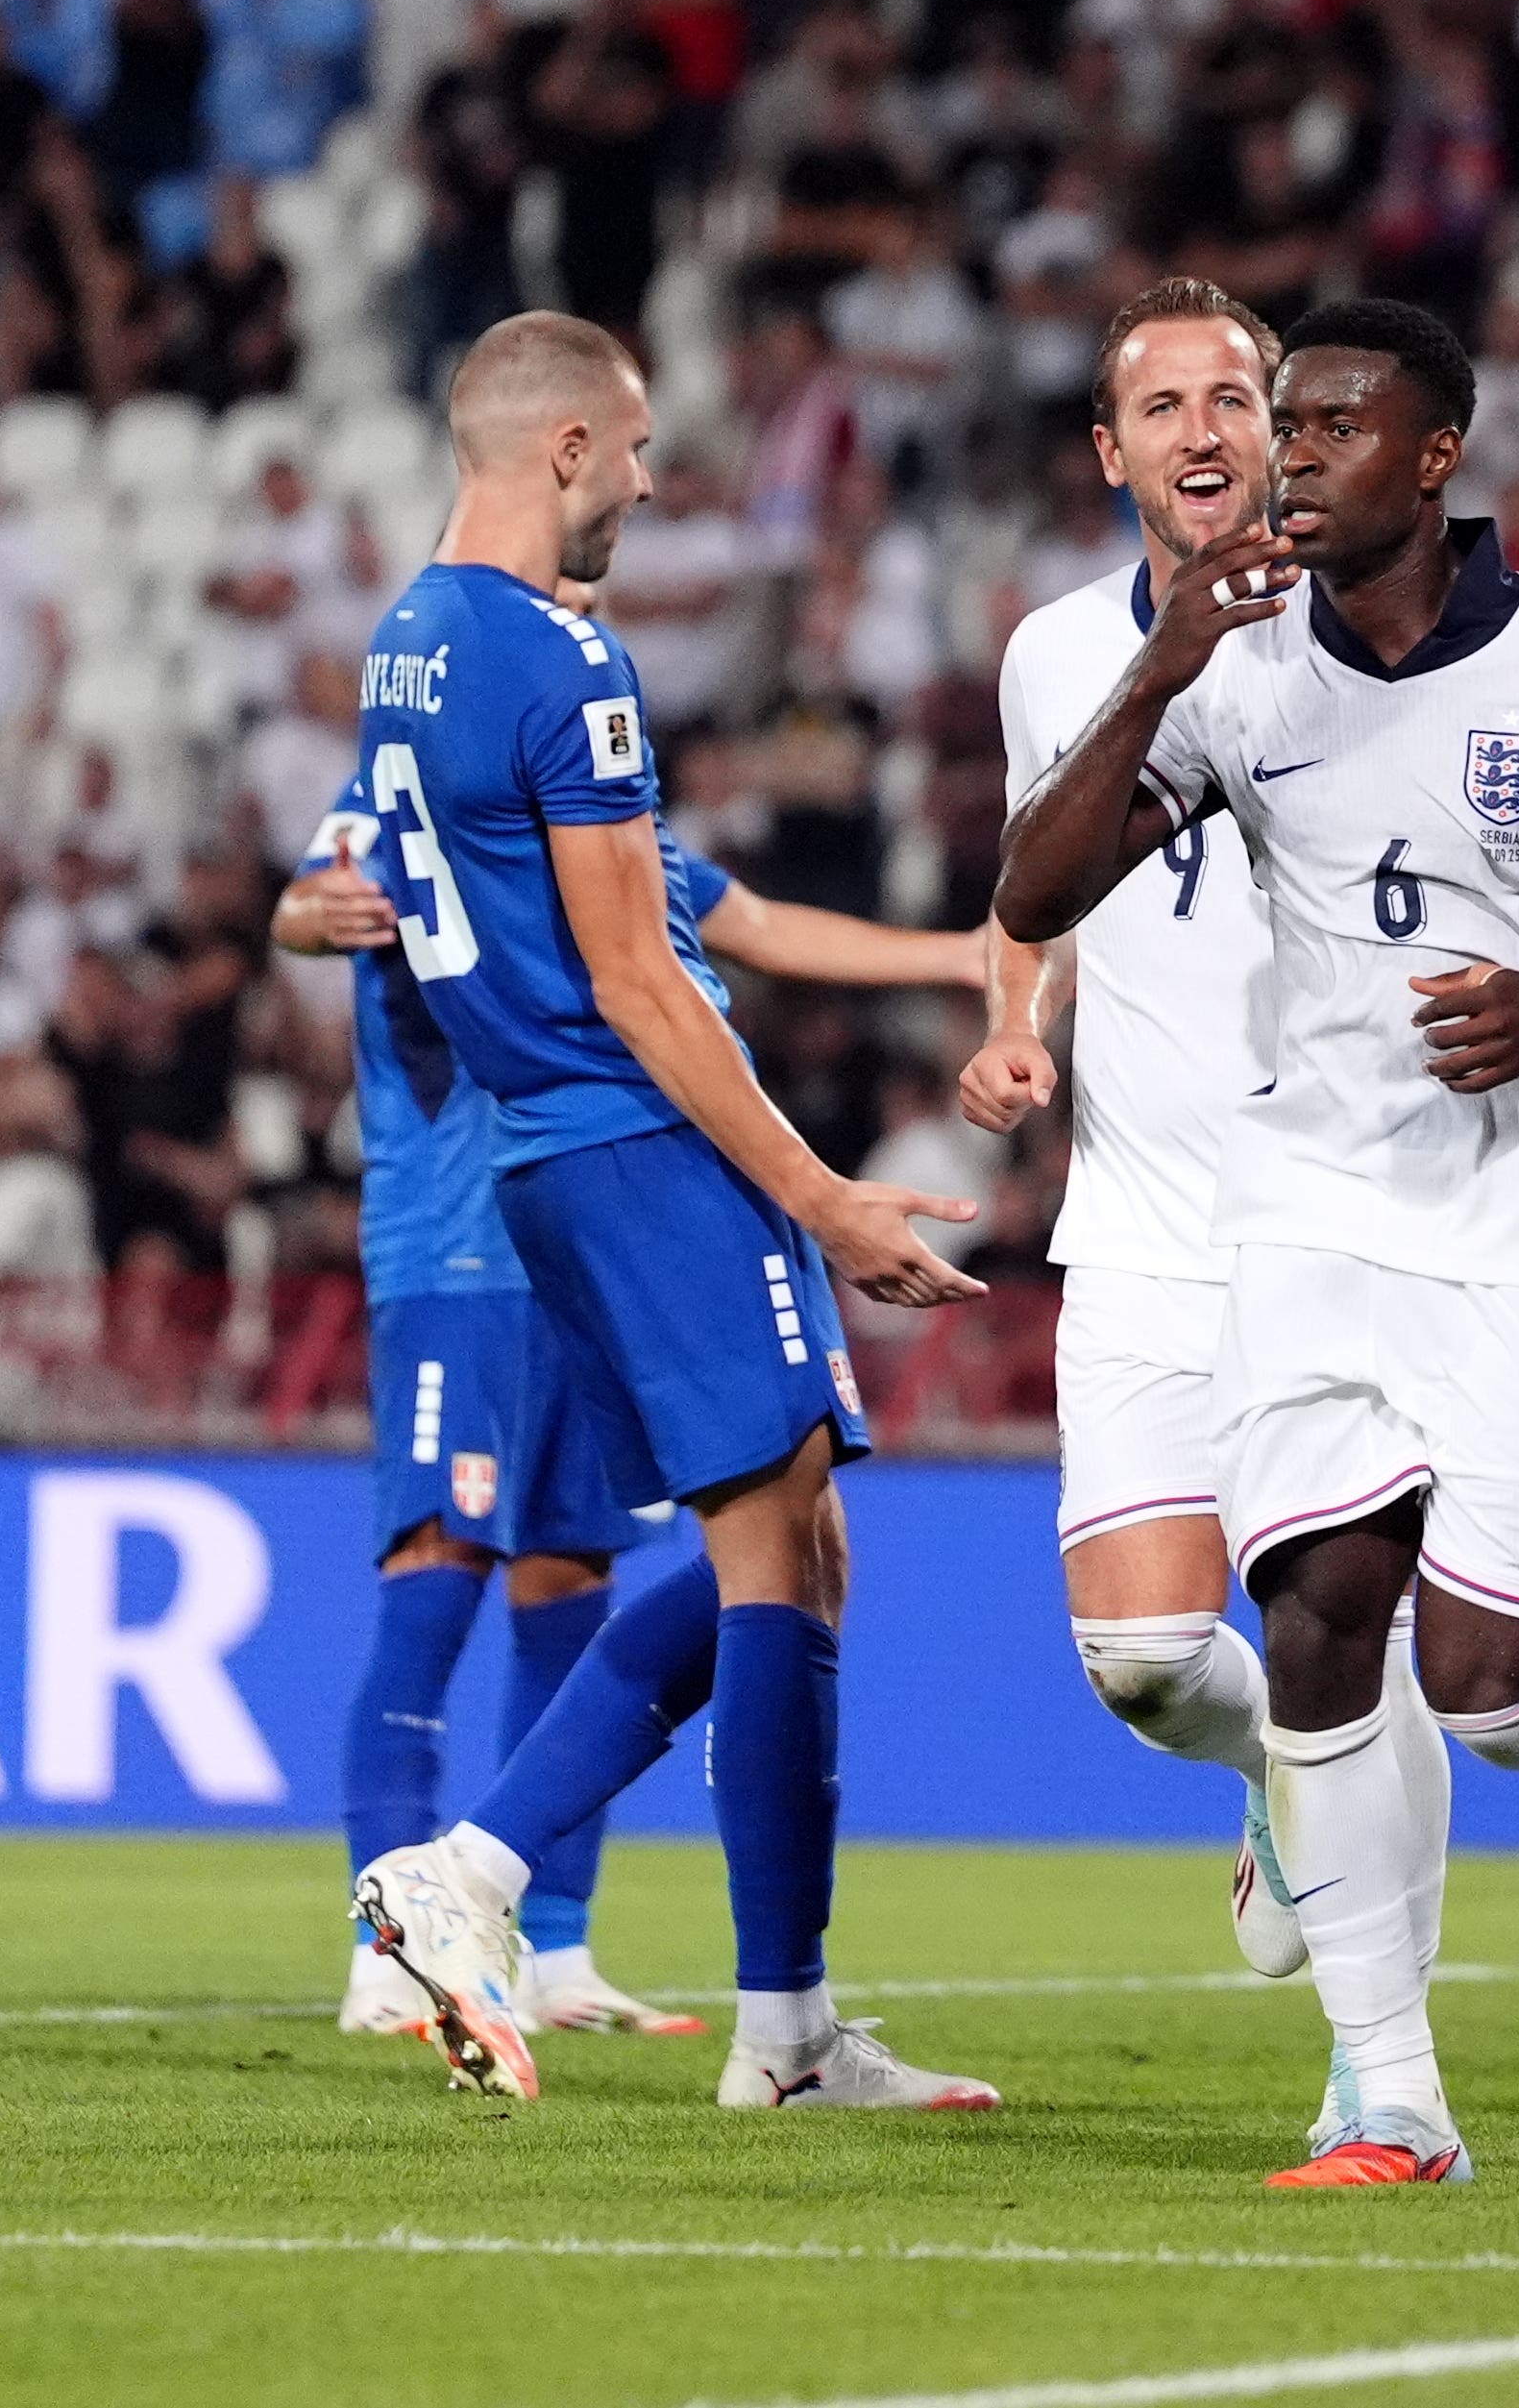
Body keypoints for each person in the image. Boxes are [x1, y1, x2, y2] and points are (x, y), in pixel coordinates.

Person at [998, 297, 1519, 2186]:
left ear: (1435, 456)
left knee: (1493, 1680)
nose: (1293, 453)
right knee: (1318, 1623)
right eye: (1290, 423)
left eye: (1336, 425)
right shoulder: (1241, 666)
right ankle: (1387, 2095)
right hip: (1309, 1217)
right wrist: (1155, 673)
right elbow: (1031, 888)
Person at [343, 313, 996, 2113]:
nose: (646, 477)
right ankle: (476, 1879)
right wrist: (819, 1190)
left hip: (547, 1155)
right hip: (643, 1141)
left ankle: (775, 2024)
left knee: (790, 1540)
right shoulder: (563, 648)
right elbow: (643, 975)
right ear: (559, 448)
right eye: (629, 446)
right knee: (773, 1548)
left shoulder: (405, 638)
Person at [955, 277, 1450, 2163]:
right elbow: (1040, 890)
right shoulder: (1049, 651)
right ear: (1110, 450)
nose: (1199, 427)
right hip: (1142, 1219)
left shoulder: (1382, 636)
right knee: (1150, 1662)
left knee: (1339, 1622)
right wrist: (1013, 1033)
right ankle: (1282, 1783)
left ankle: (1378, 2075)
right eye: (1158, 403)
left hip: (1335, 1223)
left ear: (1285, 425)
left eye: (1233, 395)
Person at [282, 717, 980, 2045]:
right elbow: (310, 901)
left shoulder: (601, 827)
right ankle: (384, 1948)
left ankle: (554, 1944)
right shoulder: (418, 776)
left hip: (582, 1241)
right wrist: (312, 910)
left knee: (569, 1576)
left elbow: (757, 922)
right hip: (451, 1242)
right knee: (435, 1578)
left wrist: (961, 952)